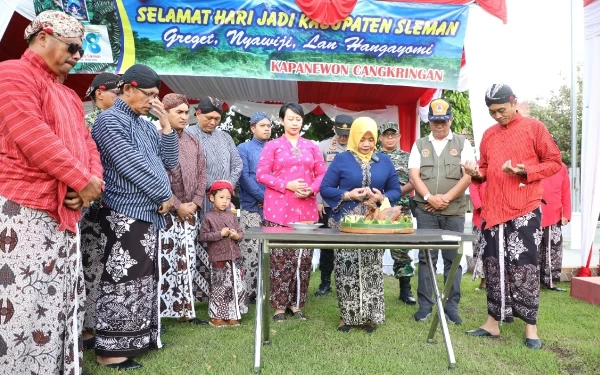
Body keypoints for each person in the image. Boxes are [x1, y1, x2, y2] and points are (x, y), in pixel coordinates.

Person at [0, 10, 103, 375]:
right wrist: (78, 180)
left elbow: (89, 146)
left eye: (82, 50)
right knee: (21, 307)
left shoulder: (71, 97)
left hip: (64, 212)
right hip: (22, 208)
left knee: (57, 302)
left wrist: (89, 186)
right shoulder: (12, 73)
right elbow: (32, 136)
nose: (78, 55)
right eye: (73, 47)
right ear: (43, 36)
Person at [91, 64, 178, 370]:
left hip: (148, 212)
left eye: (157, 96)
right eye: (149, 95)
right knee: (122, 280)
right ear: (128, 89)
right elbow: (131, 166)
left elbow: (169, 161)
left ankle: (136, 340)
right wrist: (165, 196)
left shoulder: (145, 124)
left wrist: (166, 125)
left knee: (141, 280)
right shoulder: (109, 120)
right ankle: (110, 351)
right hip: (124, 211)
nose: (153, 101)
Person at [463, 83, 562, 350]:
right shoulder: (488, 135)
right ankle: (492, 323)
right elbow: (484, 169)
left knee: (525, 266)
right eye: (492, 112)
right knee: (494, 267)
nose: (497, 116)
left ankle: (531, 327)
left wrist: (525, 170)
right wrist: (474, 172)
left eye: (502, 110)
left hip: (524, 207)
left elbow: (554, 161)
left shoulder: (534, 127)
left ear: (513, 101)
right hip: (494, 210)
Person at [320, 117, 401, 333]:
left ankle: (368, 317)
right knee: (347, 268)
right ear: (354, 137)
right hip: (346, 223)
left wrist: (381, 197)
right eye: (362, 139)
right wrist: (347, 195)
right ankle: (347, 317)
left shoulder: (383, 160)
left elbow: (396, 190)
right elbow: (325, 188)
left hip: (373, 223)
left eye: (370, 139)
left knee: (371, 267)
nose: (366, 143)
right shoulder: (342, 159)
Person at [256, 102, 326, 322]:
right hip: (279, 209)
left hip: (306, 210)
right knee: (280, 258)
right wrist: (287, 185)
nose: (294, 123)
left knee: (303, 259)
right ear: (282, 121)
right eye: (290, 119)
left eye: (298, 119)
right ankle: (278, 306)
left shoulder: (312, 146)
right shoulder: (272, 146)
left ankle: (297, 304)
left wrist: (311, 189)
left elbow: (322, 174)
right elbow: (261, 175)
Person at [408, 98, 474, 324]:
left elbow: (469, 175)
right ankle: (425, 305)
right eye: (435, 121)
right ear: (429, 122)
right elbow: (414, 175)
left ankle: (450, 306)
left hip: (453, 211)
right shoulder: (419, 145)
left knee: (452, 260)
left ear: (451, 120)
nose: (439, 126)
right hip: (426, 210)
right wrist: (428, 197)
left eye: (443, 121)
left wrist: (445, 198)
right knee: (426, 259)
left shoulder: (463, 143)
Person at [158, 93, 208, 324]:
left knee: (186, 260)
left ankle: (186, 312)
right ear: (165, 112)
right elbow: (158, 176)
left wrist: (195, 203)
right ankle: (162, 312)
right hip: (166, 212)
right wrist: (177, 205)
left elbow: (202, 174)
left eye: (186, 112)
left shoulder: (193, 141)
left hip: (190, 213)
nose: (184, 116)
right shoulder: (156, 138)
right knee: (165, 262)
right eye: (178, 112)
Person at [186, 97, 242, 302]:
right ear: (198, 113)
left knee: (225, 241)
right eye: (209, 117)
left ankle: (224, 290)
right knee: (202, 241)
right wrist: (211, 189)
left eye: (217, 118)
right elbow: (191, 169)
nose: (213, 122)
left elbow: (237, 165)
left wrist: (225, 189)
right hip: (200, 200)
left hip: (223, 202)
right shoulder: (189, 134)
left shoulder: (225, 137)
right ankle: (199, 294)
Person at [80, 72, 120, 350]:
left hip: (115, 208)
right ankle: (88, 328)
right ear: (99, 94)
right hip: (94, 209)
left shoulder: (121, 123)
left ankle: (104, 323)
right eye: (116, 92)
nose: (120, 97)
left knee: (110, 268)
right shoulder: (89, 123)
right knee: (93, 268)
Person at [378, 121, 416, 305]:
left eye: (393, 134)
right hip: (377, 210)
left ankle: (405, 290)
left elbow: (415, 180)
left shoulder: (408, 157)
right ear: (380, 138)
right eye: (386, 135)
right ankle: (374, 288)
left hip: (402, 209)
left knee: (401, 250)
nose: (390, 138)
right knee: (373, 249)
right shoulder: (374, 157)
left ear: (399, 136)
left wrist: (396, 193)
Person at [315, 114, 353, 296]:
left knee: (349, 243)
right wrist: (318, 201)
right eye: (340, 133)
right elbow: (317, 175)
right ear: (333, 129)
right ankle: (324, 282)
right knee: (327, 244)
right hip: (328, 204)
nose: (343, 137)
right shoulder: (323, 147)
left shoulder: (356, 146)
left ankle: (348, 280)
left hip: (350, 205)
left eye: (347, 133)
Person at [199, 180, 248, 327]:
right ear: (212, 198)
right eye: (221, 197)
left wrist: (236, 236)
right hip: (218, 259)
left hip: (234, 258)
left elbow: (240, 232)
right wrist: (219, 234)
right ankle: (216, 316)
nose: (225, 201)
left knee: (235, 286)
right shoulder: (208, 217)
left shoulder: (232, 216)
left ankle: (232, 314)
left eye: (228, 198)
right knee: (220, 288)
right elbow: (203, 236)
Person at [237, 112, 272, 303]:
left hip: (272, 209)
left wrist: (271, 200)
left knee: (269, 251)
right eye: (262, 125)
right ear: (252, 128)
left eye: (269, 125)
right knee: (250, 252)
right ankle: (249, 294)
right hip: (252, 207)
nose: (267, 128)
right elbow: (245, 177)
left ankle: (266, 292)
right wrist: (264, 197)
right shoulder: (243, 148)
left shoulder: (275, 148)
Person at [539, 136, 571, 291]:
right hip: (535, 213)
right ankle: (534, 281)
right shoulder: (534, 165)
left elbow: (566, 192)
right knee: (535, 248)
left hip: (555, 214)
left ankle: (551, 281)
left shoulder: (561, 167)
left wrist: (566, 213)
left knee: (554, 248)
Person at [469, 181, 487, 291]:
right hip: (480, 218)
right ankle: (483, 282)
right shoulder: (480, 166)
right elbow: (473, 186)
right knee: (479, 250)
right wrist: (480, 206)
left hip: (501, 214)